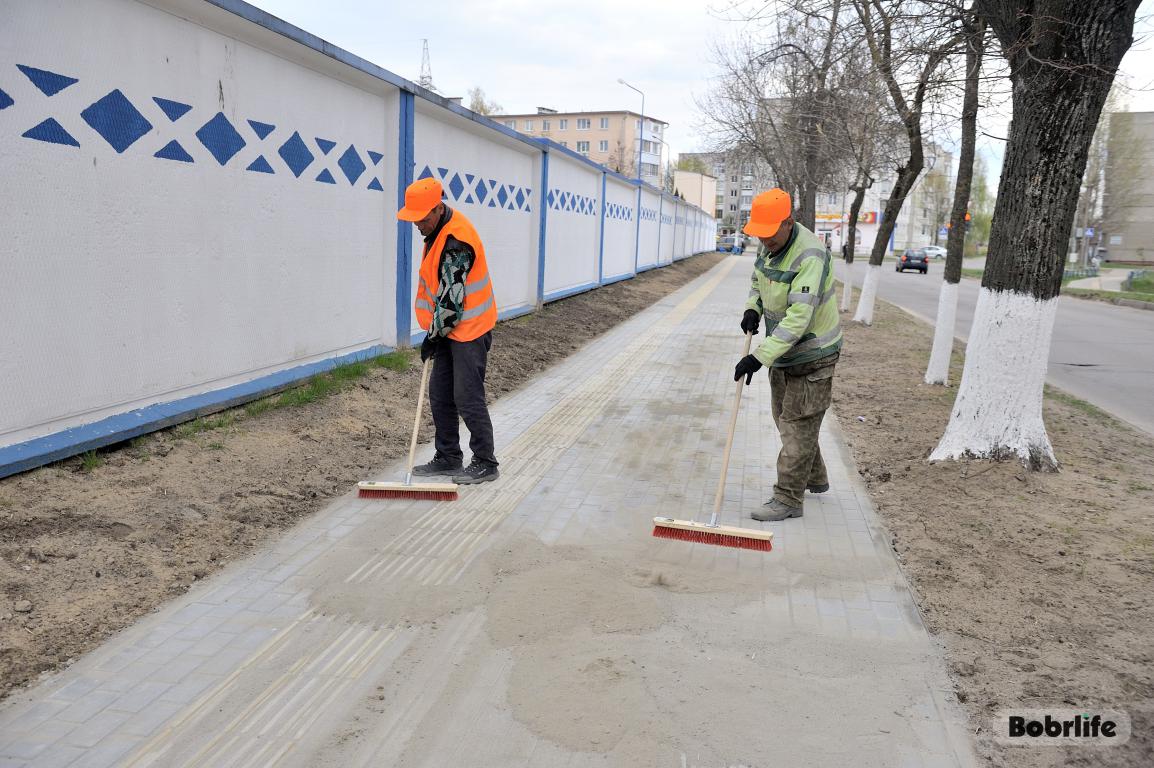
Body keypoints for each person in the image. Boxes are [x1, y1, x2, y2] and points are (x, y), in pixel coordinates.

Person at [734, 189, 843, 521]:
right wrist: (753, 308)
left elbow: (799, 317)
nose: (764, 239)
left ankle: (788, 499)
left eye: (770, 233)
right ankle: (815, 476)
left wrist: (759, 357)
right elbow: (758, 279)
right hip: (783, 353)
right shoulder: (768, 242)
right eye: (760, 233)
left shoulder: (809, 255)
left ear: (788, 223)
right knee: (788, 420)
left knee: (797, 425)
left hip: (813, 355)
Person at [396, 177, 500, 485]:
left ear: (438, 209)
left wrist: (432, 337)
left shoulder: (456, 242)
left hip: (469, 330)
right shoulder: (437, 230)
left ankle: (485, 461)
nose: (416, 224)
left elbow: (452, 304)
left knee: (467, 396)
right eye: (412, 217)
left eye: (421, 217)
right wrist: (436, 333)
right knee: (440, 394)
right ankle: (449, 457)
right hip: (448, 330)